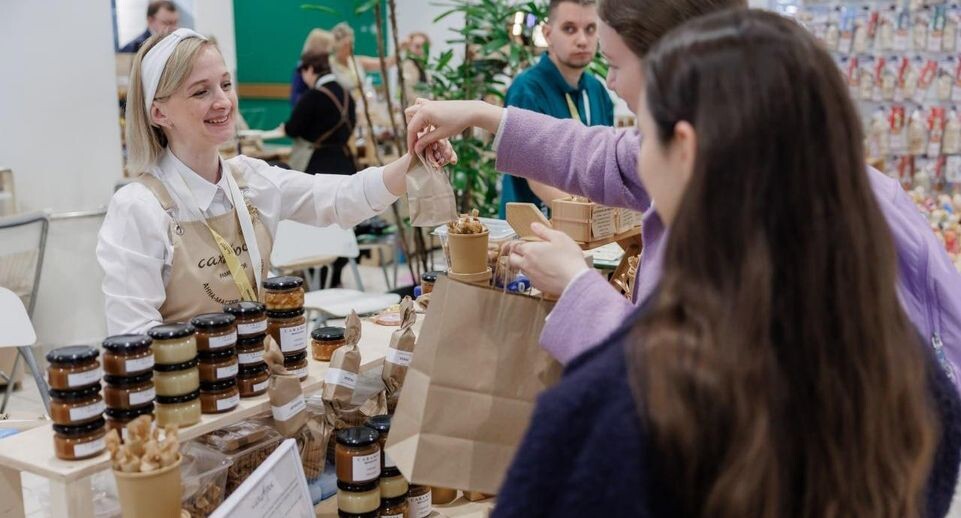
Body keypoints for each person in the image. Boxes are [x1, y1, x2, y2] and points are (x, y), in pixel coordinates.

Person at [492, 10, 961, 517]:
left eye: (645, 134)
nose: (637, 159)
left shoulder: (609, 409)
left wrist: (583, 293)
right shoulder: (910, 383)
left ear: (686, 152)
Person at [406, 0, 961, 388]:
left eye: (618, 64)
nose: (614, 84)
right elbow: (603, 154)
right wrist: (482, 115)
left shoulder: (745, 218)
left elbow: (686, 393)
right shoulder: (775, 149)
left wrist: (577, 288)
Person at [97, 29, 452, 334]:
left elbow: (343, 197)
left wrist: (413, 159)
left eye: (225, 84)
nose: (223, 102)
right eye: (200, 92)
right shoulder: (139, 208)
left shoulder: (251, 178)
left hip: (258, 377)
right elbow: (134, 337)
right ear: (159, 112)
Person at [498, 0, 613, 218]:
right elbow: (538, 181)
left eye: (590, 29)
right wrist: (595, 216)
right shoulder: (527, 90)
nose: (582, 40)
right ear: (548, 34)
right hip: (532, 234)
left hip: (588, 231)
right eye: (569, 29)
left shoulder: (597, 90)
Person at [284, 51, 357, 175]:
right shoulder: (347, 95)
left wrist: (284, 128)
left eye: (303, 72)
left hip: (316, 166)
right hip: (345, 164)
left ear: (310, 70)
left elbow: (293, 129)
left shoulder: (312, 96)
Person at [331, 22, 397, 93]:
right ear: (335, 45)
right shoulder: (329, 65)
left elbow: (385, 63)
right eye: (346, 45)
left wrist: (400, 49)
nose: (350, 48)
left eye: (352, 44)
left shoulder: (357, 61)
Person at [290, 29, 335, 107]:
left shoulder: (330, 66)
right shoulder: (303, 67)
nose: (330, 51)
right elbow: (295, 97)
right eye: (328, 47)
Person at [400, 32, 431, 105]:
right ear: (409, 47)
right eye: (417, 46)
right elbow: (409, 92)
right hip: (413, 109)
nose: (422, 50)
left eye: (425, 47)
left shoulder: (422, 65)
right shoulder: (408, 65)